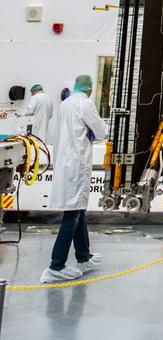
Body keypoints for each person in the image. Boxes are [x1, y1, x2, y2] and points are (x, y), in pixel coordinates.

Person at [39, 74, 107, 283]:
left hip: (65, 163)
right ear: (90, 89)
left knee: (78, 212)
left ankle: (83, 257)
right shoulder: (85, 104)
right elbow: (102, 132)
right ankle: (56, 266)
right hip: (76, 166)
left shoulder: (66, 104)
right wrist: (94, 133)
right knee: (72, 215)